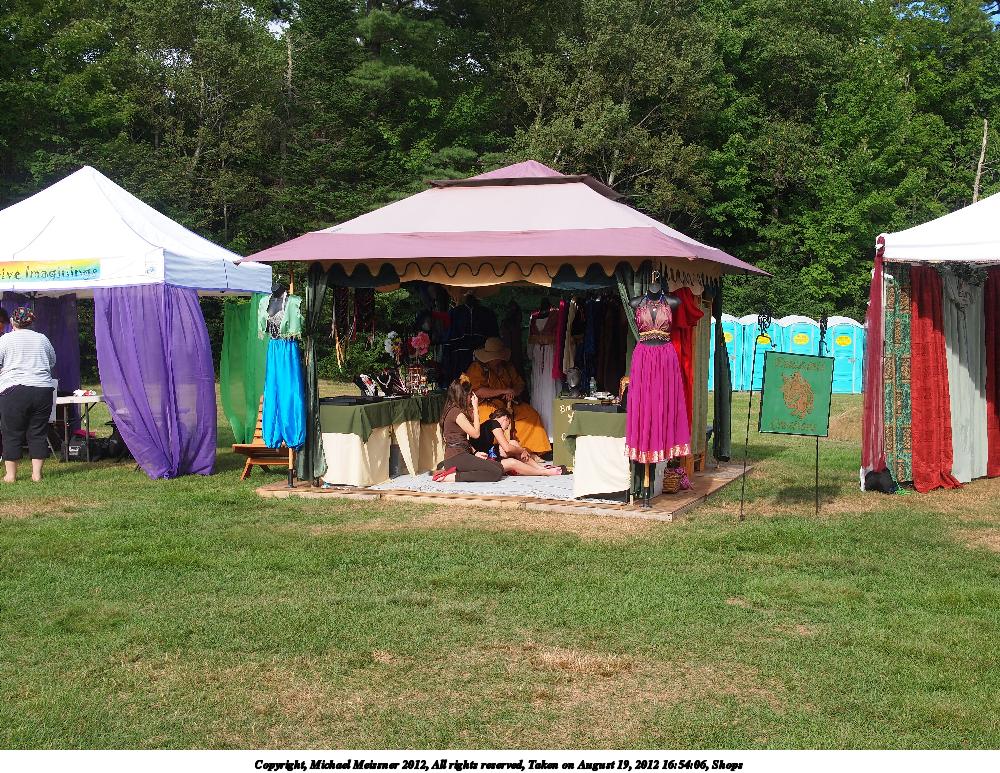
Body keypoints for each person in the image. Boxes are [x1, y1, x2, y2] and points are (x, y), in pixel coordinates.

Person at [465, 337, 552, 456]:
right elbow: (478, 391)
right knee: (489, 420)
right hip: (486, 404)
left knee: (530, 415)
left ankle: (532, 451)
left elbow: (520, 384)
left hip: (508, 403)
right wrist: (503, 391)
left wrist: (513, 392)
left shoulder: (507, 366)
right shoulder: (477, 368)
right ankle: (497, 451)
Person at [0, 307, 57, 483]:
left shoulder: (5, 339)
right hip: (42, 390)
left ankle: (11, 475)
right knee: (38, 432)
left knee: (12, 432)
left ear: (12, 322)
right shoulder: (42, 339)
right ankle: (37, 474)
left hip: (14, 389)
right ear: (31, 322)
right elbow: (52, 361)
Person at [432, 376, 504, 483]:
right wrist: (475, 408)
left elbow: (463, 438)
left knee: (499, 467)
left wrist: (475, 453)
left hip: (462, 454)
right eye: (470, 394)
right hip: (455, 457)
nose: (471, 397)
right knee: (495, 472)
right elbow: (476, 434)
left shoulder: (457, 410)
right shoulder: (456, 413)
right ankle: (453, 477)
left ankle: (455, 473)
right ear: (463, 395)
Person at [471, 408, 567, 477]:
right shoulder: (494, 423)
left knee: (513, 443)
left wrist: (519, 450)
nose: (506, 428)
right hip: (482, 458)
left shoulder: (488, 424)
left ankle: (539, 468)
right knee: (513, 453)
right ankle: (542, 471)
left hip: (485, 452)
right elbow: (506, 448)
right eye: (508, 424)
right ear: (505, 418)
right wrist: (522, 450)